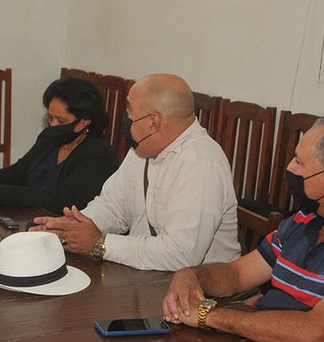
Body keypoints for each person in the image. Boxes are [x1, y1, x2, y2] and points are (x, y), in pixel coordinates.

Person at [162, 114, 324, 342]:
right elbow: (237, 274)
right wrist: (191, 276)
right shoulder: (303, 220)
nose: (290, 168)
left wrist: (208, 316)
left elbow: (315, 332)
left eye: (299, 162)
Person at [29, 73, 240, 271]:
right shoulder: (143, 148)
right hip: (145, 275)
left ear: (153, 122)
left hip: (201, 296)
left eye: (130, 112)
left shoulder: (201, 162)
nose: (126, 118)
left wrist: (99, 243)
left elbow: (181, 255)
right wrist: (72, 227)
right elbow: (113, 206)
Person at [0, 77, 118, 213]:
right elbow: (20, 171)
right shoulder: (50, 138)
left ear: (84, 122)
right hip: (28, 218)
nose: (53, 125)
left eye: (61, 120)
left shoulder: (99, 155)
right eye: (50, 118)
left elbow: (63, 199)